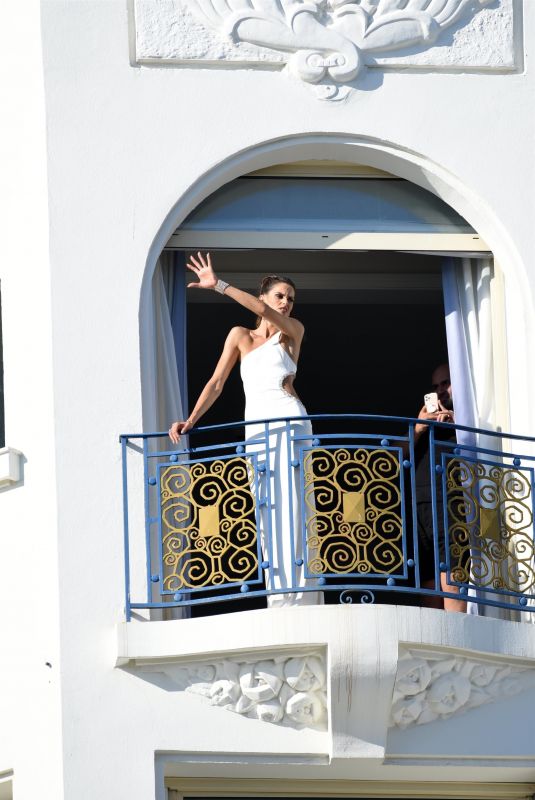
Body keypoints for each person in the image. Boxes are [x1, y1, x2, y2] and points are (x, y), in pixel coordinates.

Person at [169, 251, 322, 607]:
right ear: (263, 296)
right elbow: (217, 382)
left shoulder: (293, 333)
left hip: (290, 422)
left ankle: (300, 599)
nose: (285, 303)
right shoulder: (240, 336)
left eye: (291, 298)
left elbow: (267, 315)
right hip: (256, 429)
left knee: (294, 505)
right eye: (280, 295)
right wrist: (190, 421)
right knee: (266, 507)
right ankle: (279, 597)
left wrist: (219, 285)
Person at [412, 363, 466, 613]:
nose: (441, 391)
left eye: (446, 383)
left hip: (451, 502)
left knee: (452, 578)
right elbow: (396, 456)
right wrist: (419, 427)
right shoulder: (424, 422)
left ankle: (458, 648)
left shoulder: (467, 417)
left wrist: (457, 422)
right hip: (421, 508)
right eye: (435, 387)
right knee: (429, 584)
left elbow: (480, 444)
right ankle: (434, 652)